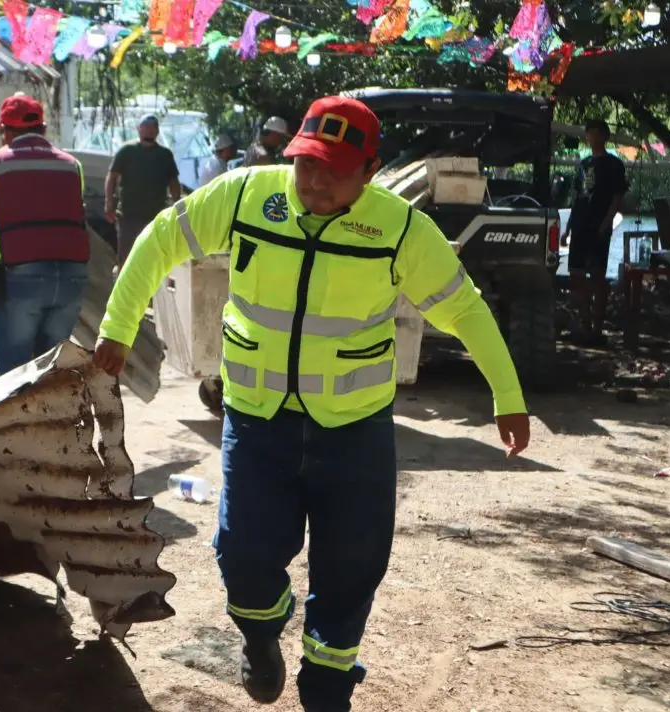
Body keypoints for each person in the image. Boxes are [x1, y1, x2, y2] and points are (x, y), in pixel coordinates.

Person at [93, 95, 531, 712]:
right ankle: (260, 635)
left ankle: (327, 690)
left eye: (335, 171)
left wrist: (507, 396)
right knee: (243, 557)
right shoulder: (247, 196)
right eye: (306, 164)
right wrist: (118, 325)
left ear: (371, 171)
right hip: (258, 419)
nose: (315, 181)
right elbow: (162, 238)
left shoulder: (401, 229)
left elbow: (465, 309)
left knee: (352, 567)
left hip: (353, 431)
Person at [0, 95, 89, 377]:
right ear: (43, 129)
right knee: (52, 371)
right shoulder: (72, 165)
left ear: (5, 132)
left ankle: (18, 408)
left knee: (13, 374)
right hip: (72, 278)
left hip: (21, 278)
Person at [562, 119, 628, 345]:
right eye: (589, 133)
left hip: (598, 226)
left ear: (604, 137)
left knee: (598, 276)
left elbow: (617, 198)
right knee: (576, 275)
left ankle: (598, 331)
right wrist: (567, 228)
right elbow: (577, 198)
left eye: (596, 133)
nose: (591, 137)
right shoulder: (584, 164)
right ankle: (585, 327)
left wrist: (605, 224)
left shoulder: (614, 165)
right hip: (579, 226)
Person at [104, 114, 181, 266]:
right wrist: (109, 203)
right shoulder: (127, 151)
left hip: (156, 216)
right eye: (145, 127)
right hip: (129, 216)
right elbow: (111, 177)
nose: (149, 130)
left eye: (153, 127)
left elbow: (173, 181)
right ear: (139, 129)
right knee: (126, 258)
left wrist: (178, 204)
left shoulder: (165, 155)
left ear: (157, 131)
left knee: (154, 258)